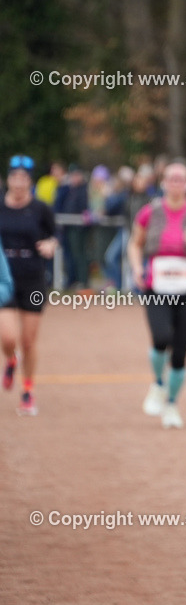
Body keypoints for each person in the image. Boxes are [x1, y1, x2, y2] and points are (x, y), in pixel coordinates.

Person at [127, 160, 186, 429]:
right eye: (171, 179)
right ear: (163, 183)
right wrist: (136, 268)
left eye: (181, 179)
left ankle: (172, 404)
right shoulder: (149, 212)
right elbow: (135, 243)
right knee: (161, 336)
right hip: (157, 286)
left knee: (180, 354)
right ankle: (158, 383)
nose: (176, 183)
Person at [0, 155, 57, 416]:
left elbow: (55, 235)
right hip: (4, 279)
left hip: (33, 278)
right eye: (15, 177)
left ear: (29, 181)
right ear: (9, 179)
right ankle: (11, 359)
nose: (19, 182)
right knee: (9, 337)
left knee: (28, 341)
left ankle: (27, 390)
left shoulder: (40, 209)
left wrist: (50, 245)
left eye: (24, 178)